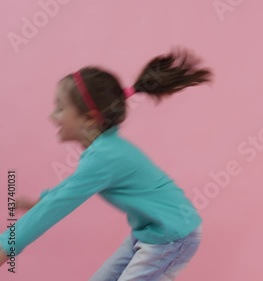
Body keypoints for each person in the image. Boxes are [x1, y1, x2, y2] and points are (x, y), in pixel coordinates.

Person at [0, 47, 213, 280]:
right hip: (151, 232)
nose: (53, 117)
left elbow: (55, 208)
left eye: (60, 108)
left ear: (90, 118)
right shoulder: (103, 151)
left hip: (172, 236)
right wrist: (40, 200)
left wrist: (5, 247)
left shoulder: (104, 157)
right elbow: (66, 191)